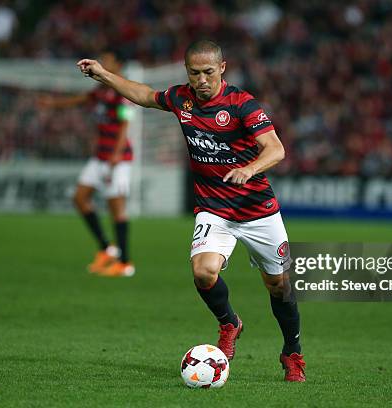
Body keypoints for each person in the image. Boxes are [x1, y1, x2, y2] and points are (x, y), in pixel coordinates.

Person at [77, 40, 305, 381]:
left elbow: (276, 149)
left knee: (279, 286)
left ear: (222, 69)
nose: (201, 80)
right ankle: (230, 323)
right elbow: (143, 95)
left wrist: (249, 169)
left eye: (208, 73)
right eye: (194, 73)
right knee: (203, 271)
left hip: (258, 211)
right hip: (214, 209)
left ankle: (292, 353)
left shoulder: (242, 104)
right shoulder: (181, 98)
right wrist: (105, 75)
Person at [38, 50, 135, 277]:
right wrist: (52, 104)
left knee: (116, 209)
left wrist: (115, 155)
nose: (103, 63)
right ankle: (106, 248)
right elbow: (80, 100)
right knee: (80, 198)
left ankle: (125, 263)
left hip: (117, 159)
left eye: (108, 60)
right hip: (100, 156)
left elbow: (125, 125)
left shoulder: (121, 93)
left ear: (118, 65)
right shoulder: (101, 91)